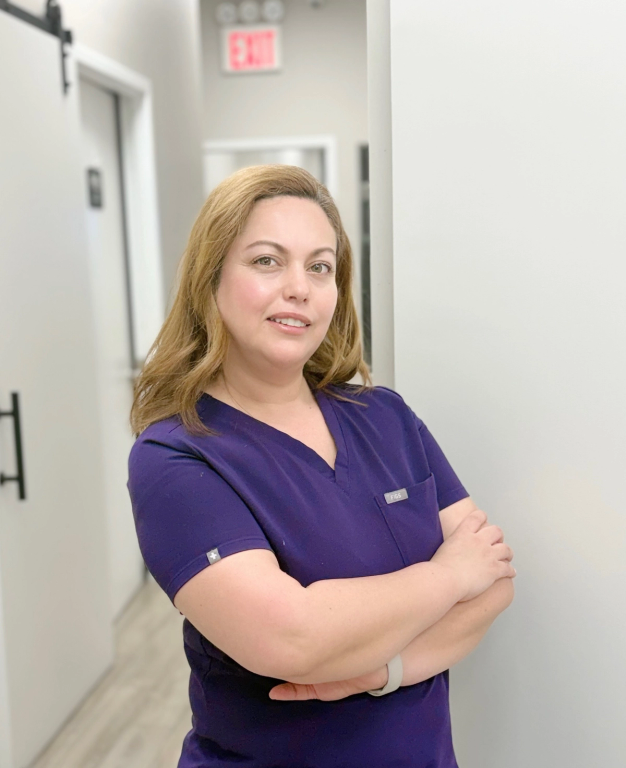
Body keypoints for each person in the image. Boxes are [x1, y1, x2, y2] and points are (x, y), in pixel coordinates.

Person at [127, 164, 516, 768]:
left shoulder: (385, 417)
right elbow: (291, 637)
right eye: (266, 261)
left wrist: (377, 672)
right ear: (210, 281)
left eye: (319, 266)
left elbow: (493, 583)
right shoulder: (178, 455)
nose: (299, 288)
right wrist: (447, 575)